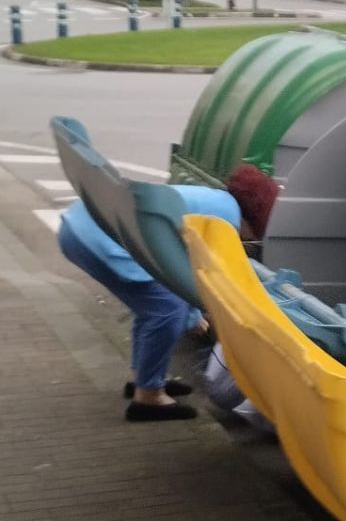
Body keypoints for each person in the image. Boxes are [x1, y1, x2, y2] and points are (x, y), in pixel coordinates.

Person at [56, 165, 278, 422]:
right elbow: (185, 269)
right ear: (255, 220)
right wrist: (192, 315)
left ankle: (143, 378)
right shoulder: (224, 221)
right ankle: (148, 396)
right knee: (167, 310)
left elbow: (177, 264)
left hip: (83, 227)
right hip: (97, 238)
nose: (249, 241)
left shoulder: (218, 201)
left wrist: (192, 312)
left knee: (151, 309)